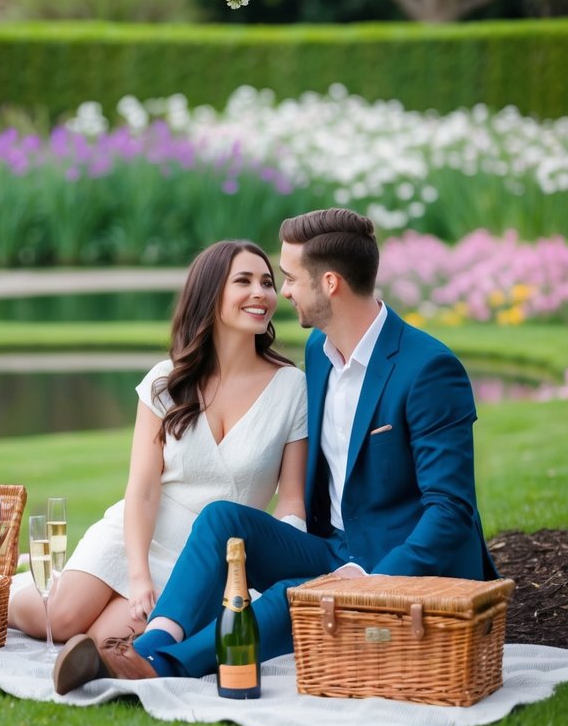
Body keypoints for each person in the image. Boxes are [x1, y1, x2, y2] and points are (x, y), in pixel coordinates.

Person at [53, 207, 499, 692]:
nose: (280, 292)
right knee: (223, 519)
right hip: (334, 549)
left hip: (401, 565)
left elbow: (451, 513)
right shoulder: (319, 355)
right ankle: (153, 644)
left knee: (292, 594)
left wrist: (370, 579)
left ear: (330, 283)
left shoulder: (428, 369)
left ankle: (158, 665)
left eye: (288, 278)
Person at [9, 239, 308, 645]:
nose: (262, 293)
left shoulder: (292, 386)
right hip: (138, 534)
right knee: (61, 620)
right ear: (211, 293)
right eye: (244, 281)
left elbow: (291, 498)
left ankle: (51, 579)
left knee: (106, 640)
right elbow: (144, 488)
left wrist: (280, 559)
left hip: (204, 558)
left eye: (268, 282)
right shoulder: (165, 381)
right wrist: (138, 574)